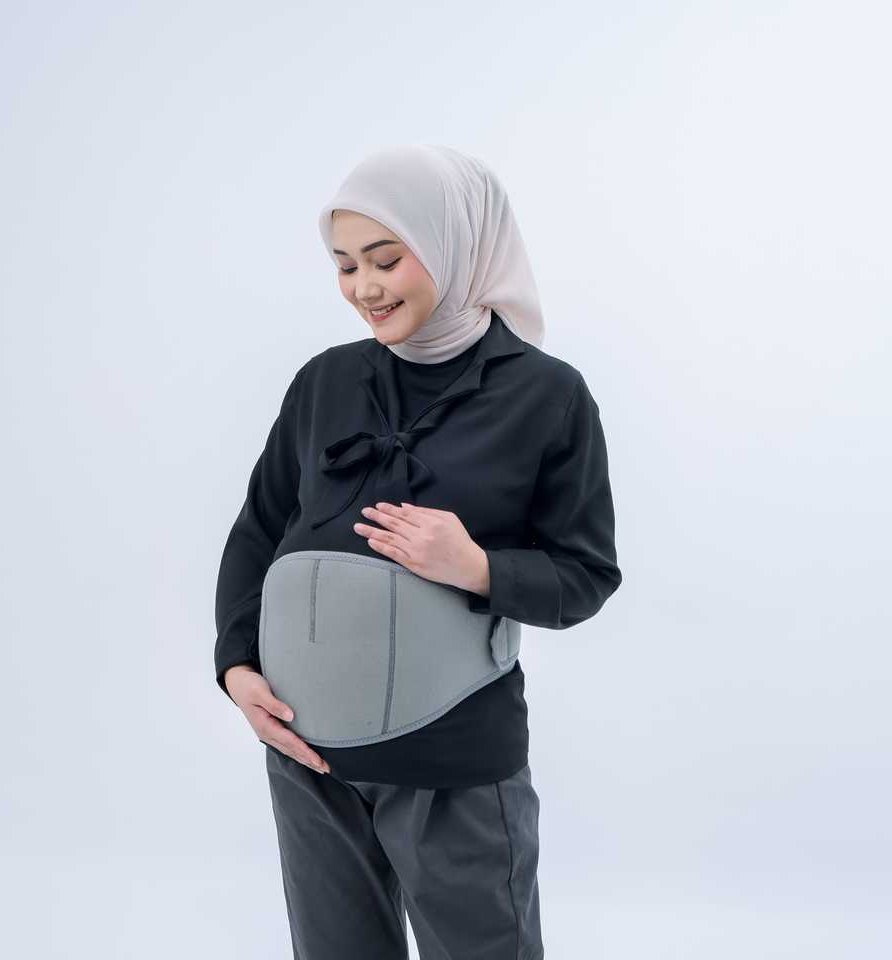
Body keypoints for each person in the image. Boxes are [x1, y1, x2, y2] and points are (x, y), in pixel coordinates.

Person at [213, 143, 623, 959]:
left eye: (386, 259)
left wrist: (476, 567)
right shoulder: (325, 381)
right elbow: (258, 530)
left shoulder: (547, 395)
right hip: (309, 758)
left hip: (453, 764)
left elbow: (586, 575)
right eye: (344, 266)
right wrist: (235, 667)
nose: (364, 288)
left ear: (454, 244)